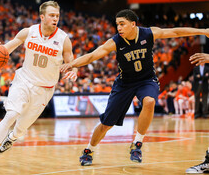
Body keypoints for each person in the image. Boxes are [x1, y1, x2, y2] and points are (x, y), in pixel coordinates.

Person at [60, 9, 209, 166]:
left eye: (122, 24)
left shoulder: (148, 33)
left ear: (133, 24)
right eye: (117, 24)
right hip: (124, 83)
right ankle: (88, 150)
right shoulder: (115, 41)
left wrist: (203, 31)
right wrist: (71, 64)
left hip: (146, 80)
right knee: (106, 124)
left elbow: (176, 32)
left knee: (150, 101)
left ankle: (137, 143)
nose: (119, 28)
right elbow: (92, 56)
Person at [0, 0, 77, 173]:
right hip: (23, 80)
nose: (55, 19)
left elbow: (71, 60)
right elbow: (6, 49)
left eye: (57, 16)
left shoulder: (63, 39)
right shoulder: (28, 32)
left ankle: (12, 137)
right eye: (52, 15)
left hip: (44, 89)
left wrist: (73, 70)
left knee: (21, 129)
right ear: (42, 16)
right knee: (11, 115)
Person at [185, 52, 209, 173]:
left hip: (204, 85)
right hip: (197, 85)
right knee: (196, 102)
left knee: (204, 101)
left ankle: (204, 113)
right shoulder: (195, 69)